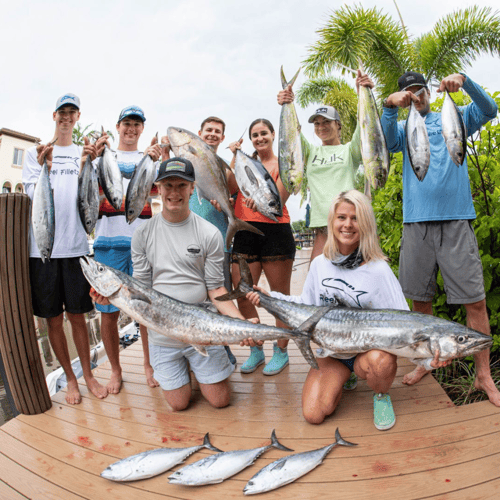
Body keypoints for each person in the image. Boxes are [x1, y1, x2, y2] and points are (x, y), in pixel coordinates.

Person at [246, 190, 452, 430]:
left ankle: (381, 394)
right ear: (332, 222)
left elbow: (406, 326)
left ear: (365, 224)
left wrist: (429, 359)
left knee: (381, 362)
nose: (348, 224)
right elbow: (306, 304)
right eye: (341, 217)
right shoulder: (319, 265)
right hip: (332, 353)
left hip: (367, 353)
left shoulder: (378, 270)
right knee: (313, 414)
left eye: (355, 218)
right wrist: (270, 298)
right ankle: (346, 375)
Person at [92, 157, 253, 411]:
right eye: (168, 185)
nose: (174, 192)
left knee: (221, 401)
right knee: (178, 404)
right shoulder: (142, 235)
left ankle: (204, 363)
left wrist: (241, 322)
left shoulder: (209, 233)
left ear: (192, 188)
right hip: (163, 335)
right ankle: (189, 368)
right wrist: (110, 297)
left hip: (203, 327)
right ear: (158, 188)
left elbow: (217, 289)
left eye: (182, 185)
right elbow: (141, 289)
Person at [381, 71, 500, 407]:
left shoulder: (456, 116)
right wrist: (390, 107)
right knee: (421, 301)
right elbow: (387, 143)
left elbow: (490, 110)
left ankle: (483, 374)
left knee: (474, 299)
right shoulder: (404, 127)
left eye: (418, 89)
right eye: (408, 92)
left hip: (456, 222)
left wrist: (465, 83)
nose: (415, 95)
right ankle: (426, 364)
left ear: (427, 92)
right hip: (416, 224)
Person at [22, 93, 108, 405]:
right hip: (42, 250)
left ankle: (88, 374)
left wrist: (89, 163)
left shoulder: (82, 154)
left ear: (78, 116)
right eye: (62, 112)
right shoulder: (36, 153)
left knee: (78, 316)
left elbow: (90, 198)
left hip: (75, 249)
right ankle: (69, 378)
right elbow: (33, 197)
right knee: (52, 319)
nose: (66, 117)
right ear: (54, 115)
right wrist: (45, 163)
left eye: (72, 112)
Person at [93, 105, 161, 393]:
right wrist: (93, 156)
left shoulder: (151, 161)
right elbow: (89, 196)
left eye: (136, 124)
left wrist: (162, 157)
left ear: (143, 129)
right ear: (117, 127)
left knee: (144, 311)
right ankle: (116, 371)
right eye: (126, 124)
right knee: (107, 312)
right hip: (108, 245)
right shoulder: (101, 160)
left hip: (142, 245)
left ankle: (149, 364)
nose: (131, 129)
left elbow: (160, 198)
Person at [160, 117, 238, 366]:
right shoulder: (183, 162)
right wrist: (164, 151)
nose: (213, 134)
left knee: (221, 297)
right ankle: (196, 350)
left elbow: (234, 191)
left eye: (218, 131)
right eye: (209, 130)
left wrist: (227, 203)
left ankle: (223, 348)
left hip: (218, 239)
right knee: (193, 298)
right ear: (199, 135)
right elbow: (166, 183)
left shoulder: (224, 165)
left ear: (222, 137)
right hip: (188, 241)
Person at [277, 71, 373, 261]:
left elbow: (364, 126)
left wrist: (362, 91)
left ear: (338, 125)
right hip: (321, 226)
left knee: (353, 277)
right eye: (317, 123)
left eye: (326, 122)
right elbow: (291, 133)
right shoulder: (310, 152)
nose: (321, 127)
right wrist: (288, 102)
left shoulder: (349, 151)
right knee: (317, 280)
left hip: (349, 225)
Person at [228, 119, 295, 376]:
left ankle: (281, 351)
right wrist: (234, 157)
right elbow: (231, 186)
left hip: (276, 231)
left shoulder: (283, 165)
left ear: (273, 134)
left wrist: (261, 200)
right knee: (241, 292)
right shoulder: (244, 161)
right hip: (245, 230)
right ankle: (256, 349)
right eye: (255, 135)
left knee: (279, 298)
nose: (259, 138)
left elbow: (277, 199)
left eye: (263, 133)